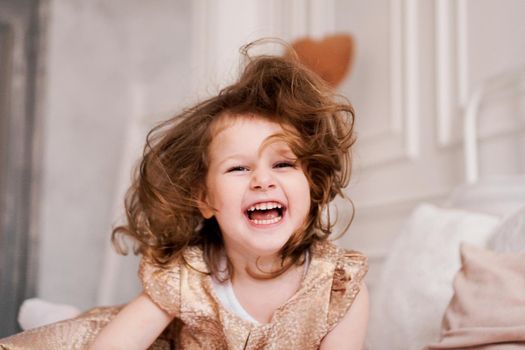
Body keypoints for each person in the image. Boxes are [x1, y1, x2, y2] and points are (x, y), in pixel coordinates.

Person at [0, 40, 368, 349]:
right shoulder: (189, 275)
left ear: (313, 183)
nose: (262, 180)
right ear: (205, 199)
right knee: (83, 335)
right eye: (239, 168)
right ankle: (59, 316)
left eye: (283, 165)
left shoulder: (338, 286)